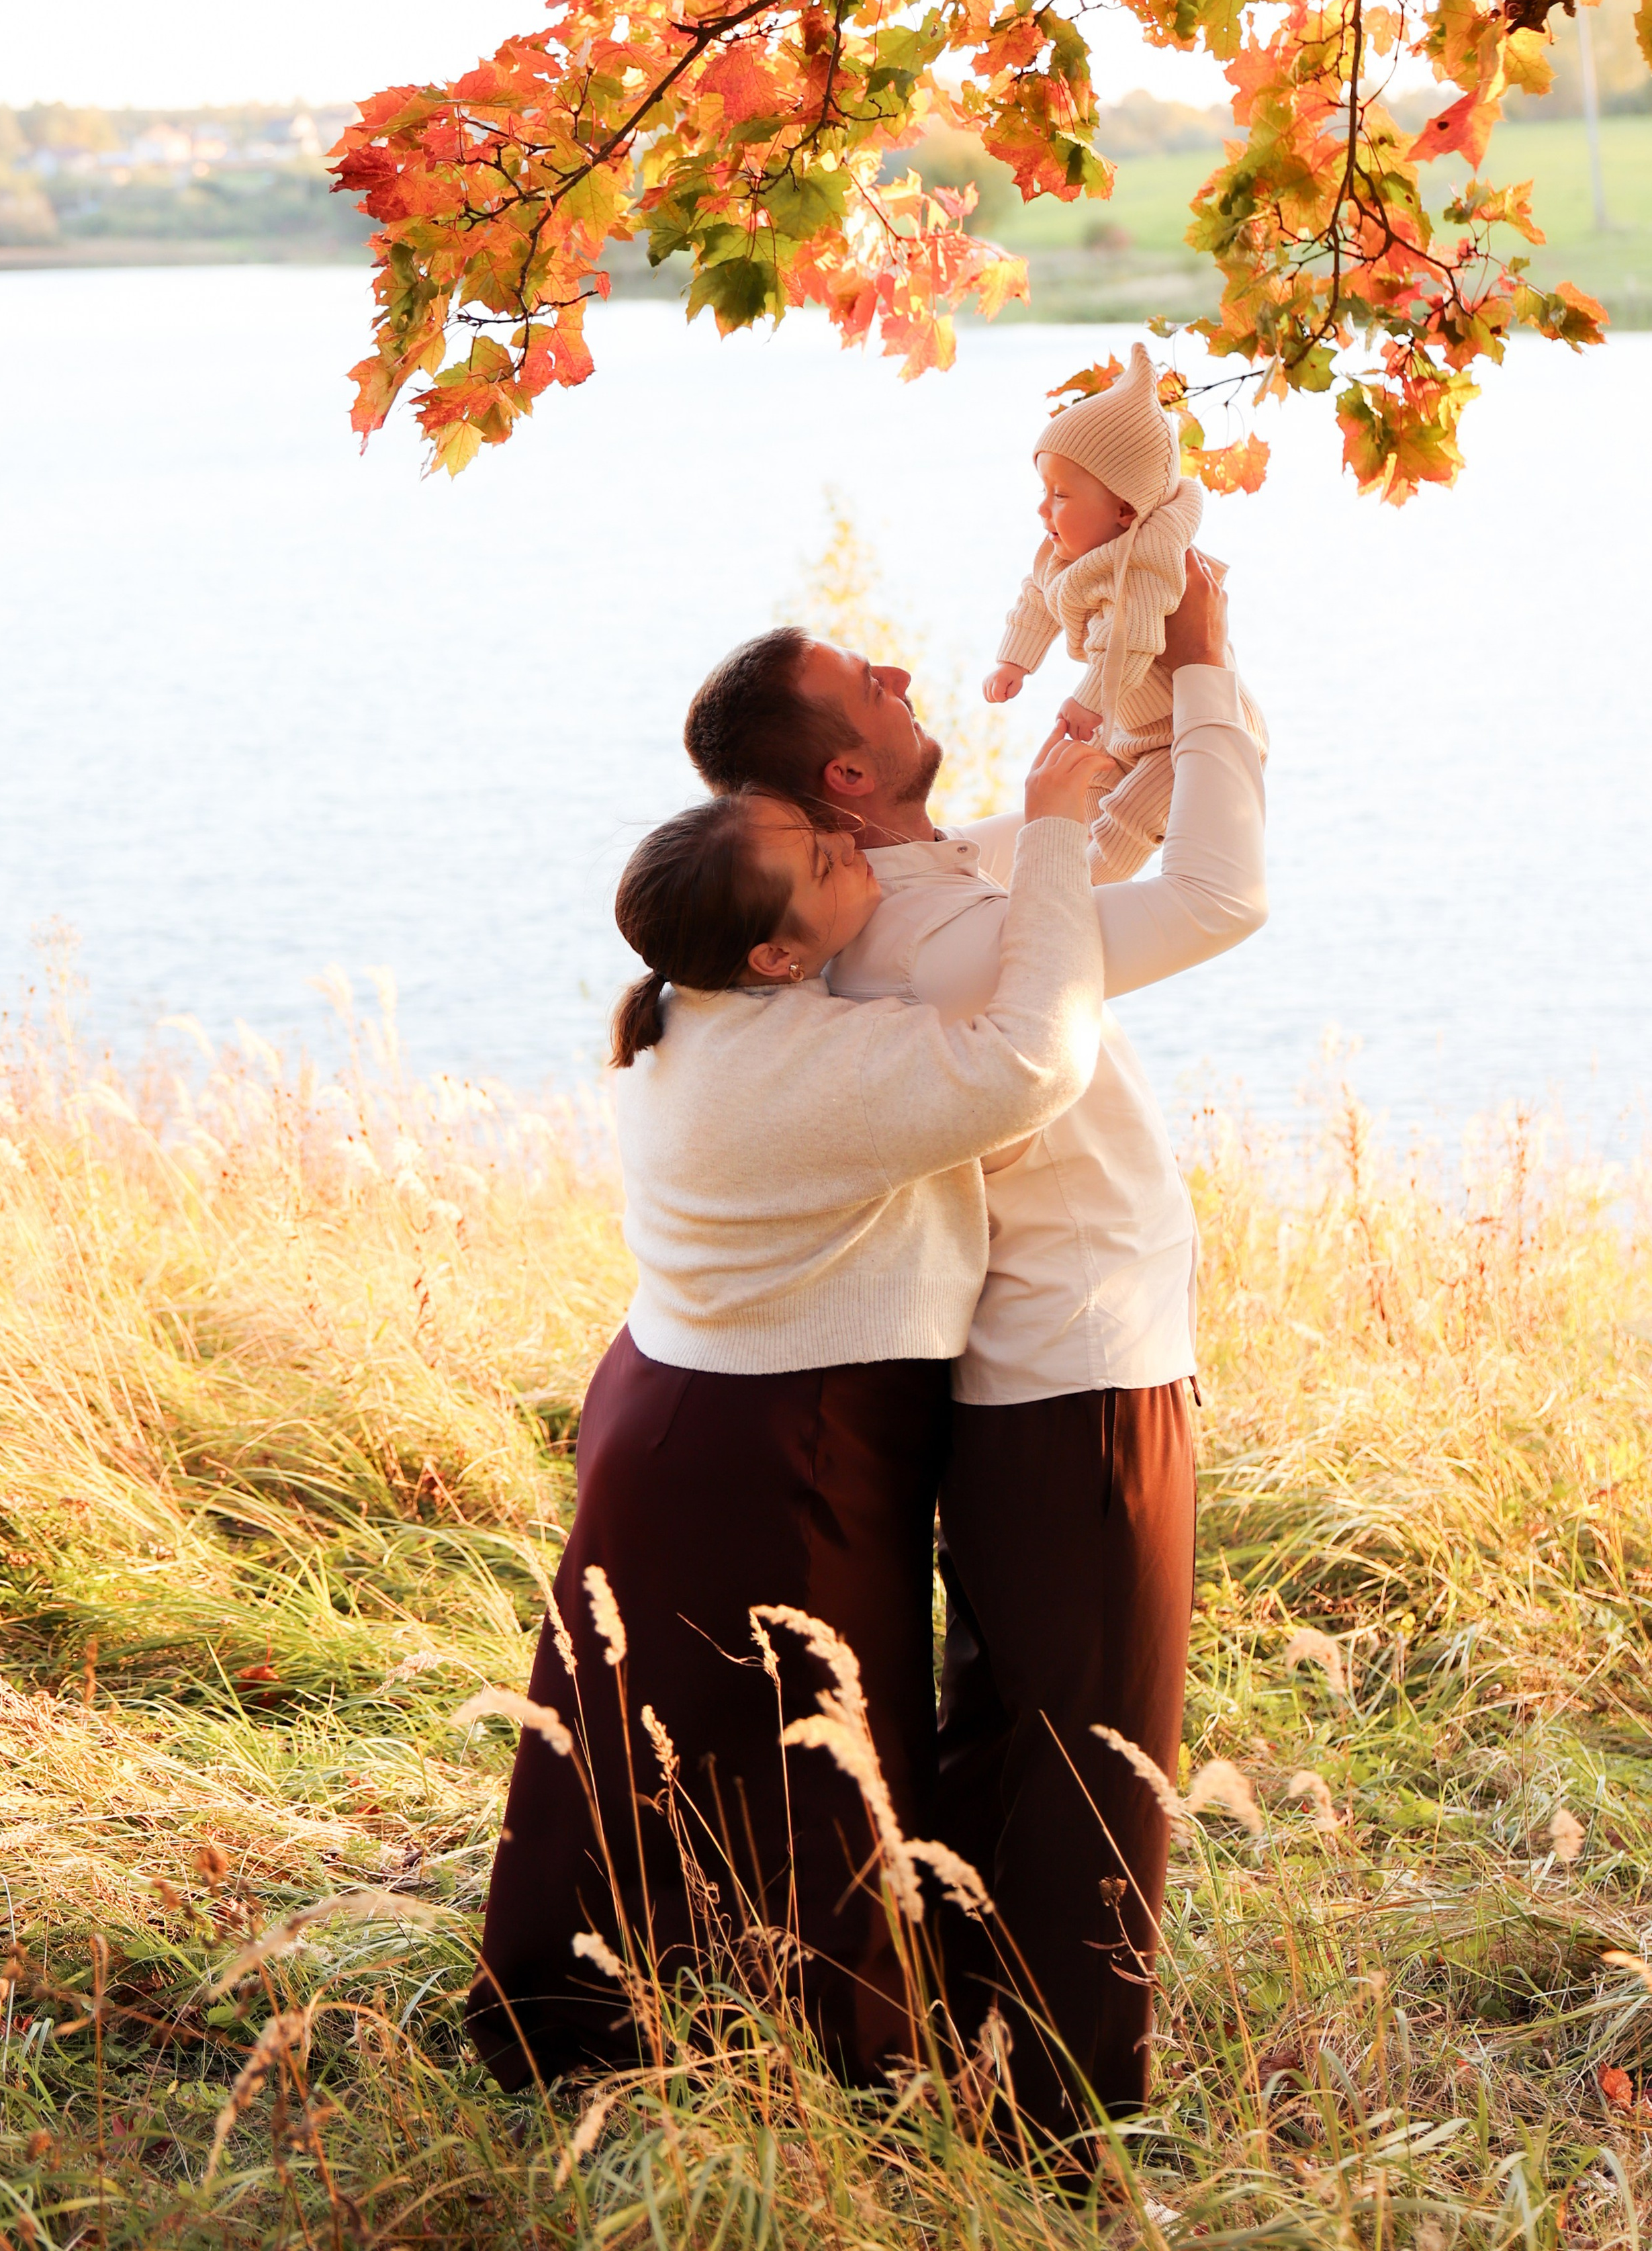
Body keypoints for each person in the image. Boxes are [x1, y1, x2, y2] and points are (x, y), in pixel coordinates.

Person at [681, 549, 1267, 2140]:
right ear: (847, 771)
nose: (891, 659)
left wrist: (1146, 646)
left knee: (1012, 1742)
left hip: (1042, 1372)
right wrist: (1199, 675)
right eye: (861, 677)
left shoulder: (921, 887)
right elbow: (1214, 891)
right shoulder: (938, 942)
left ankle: (954, 2070)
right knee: (1091, 1768)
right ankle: (1063, 2135)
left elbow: (1125, 830)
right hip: (1079, 1371)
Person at [467, 723, 1117, 2098]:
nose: (846, 850)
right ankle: (841, 2059)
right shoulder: (796, 1064)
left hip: (681, 1405)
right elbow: (1032, 1063)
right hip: (775, 1434)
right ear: (773, 950)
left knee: (647, 1722)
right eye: (822, 857)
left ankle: (605, 2010)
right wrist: (1055, 832)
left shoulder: (704, 1018)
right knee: (816, 1748)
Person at [983, 343, 1268, 883]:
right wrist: (1014, 662)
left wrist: (1087, 700)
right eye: (1043, 491)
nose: (1043, 509)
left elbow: (1130, 642)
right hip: (1127, 730)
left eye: (1061, 495)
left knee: (1131, 816)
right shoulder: (1065, 553)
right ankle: (1054, 876)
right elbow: (1036, 598)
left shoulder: (1146, 566)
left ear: (1124, 510)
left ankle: (1087, 890)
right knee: (1083, 788)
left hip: (1185, 735)